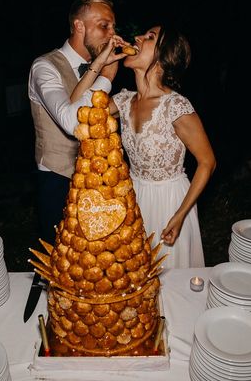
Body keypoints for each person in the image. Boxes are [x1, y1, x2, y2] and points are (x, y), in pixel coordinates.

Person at [71, 24, 216, 268]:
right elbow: (76, 109)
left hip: (170, 201)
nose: (137, 37)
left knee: (168, 278)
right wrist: (102, 64)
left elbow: (207, 162)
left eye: (150, 37)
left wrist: (180, 216)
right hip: (133, 197)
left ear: (164, 55)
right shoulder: (124, 100)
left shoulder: (175, 106)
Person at [28, 0, 128, 244]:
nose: (112, 34)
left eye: (113, 27)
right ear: (78, 26)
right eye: (104, 26)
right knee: (59, 261)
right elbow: (73, 123)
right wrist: (106, 78)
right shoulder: (44, 67)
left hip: (97, 180)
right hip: (57, 179)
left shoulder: (100, 63)